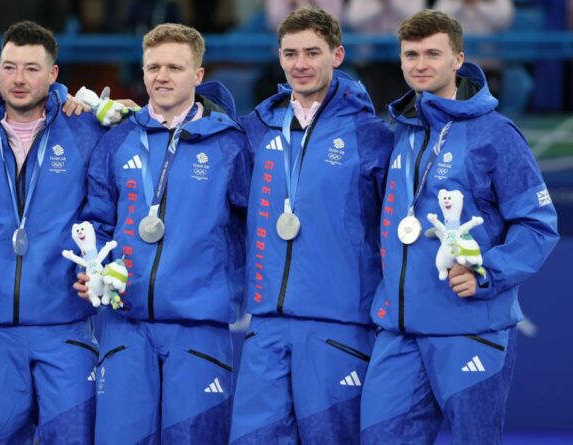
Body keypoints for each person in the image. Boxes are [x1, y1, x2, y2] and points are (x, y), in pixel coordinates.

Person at [360, 10, 558, 444]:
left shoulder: (495, 133)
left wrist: (487, 272)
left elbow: (538, 225)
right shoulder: (400, 132)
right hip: (399, 329)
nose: (421, 63)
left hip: (468, 326)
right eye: (411, 54)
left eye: (433, 53)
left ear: (458, 59)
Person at [76, 23, 251, 444]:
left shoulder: (230, 144)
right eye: (153, 66)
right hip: (125, 322)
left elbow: (252, 224)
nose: (162, 76)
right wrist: (95, 267)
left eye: (175, 66)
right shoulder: (117, 140)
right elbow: (96, 220)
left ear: (199, 75)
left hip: (198, 324)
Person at [229, 7, 393, 444]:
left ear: (337, 55)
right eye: (290, 53)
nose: (300, 63)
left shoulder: (372, 135)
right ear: (279, 57)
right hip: (265, 322)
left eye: (312, 52)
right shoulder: (256, 129)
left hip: (337, 324)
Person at [0, 21, 108, 444]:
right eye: (9, 67)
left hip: (64, 324)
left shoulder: (86, 130)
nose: (19, 79)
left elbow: (108, 210)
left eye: (32, 68)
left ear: (54, 75)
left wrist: (100, 263)